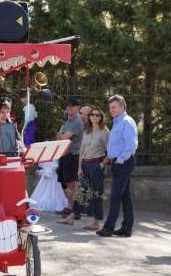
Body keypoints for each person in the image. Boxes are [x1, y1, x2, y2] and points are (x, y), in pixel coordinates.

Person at [59, 108, 109, 228]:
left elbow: (110, 151)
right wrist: (79, 168)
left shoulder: (104, 131)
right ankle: (72, 217)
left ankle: (97, 222)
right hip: (85, 164)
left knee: (97, 194)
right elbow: (81, 151)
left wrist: (102, 164)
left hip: (96, 164)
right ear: (89, 117)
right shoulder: (87, 131)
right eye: (92, 115)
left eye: (97, 115)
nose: (94, 117)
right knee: (80, 192)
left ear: (101, 117)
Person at [97, 95, 138, 237]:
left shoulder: (127, 121)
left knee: (115, 196)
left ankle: (108, 227)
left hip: (123, 163)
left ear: (122, 106)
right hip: (118, 163)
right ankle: (127, 229)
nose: (111, 110)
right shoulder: (118, 122)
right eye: (110, 108)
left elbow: (131, 145)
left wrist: (120, 160)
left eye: (114, 107)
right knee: (125, 196)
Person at [55, 98, 84, 219]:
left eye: (72, 106)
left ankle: (73, 209)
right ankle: (70, 207)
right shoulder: (68, 121)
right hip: (65, 154)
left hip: (73, 155)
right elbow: (59, 137)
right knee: (65, 182)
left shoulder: (77, 121)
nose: (69, 108)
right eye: (68, 106)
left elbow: (64, 137)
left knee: (71, 183)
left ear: (78, 108)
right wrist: (61, 136)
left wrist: (61, 136)